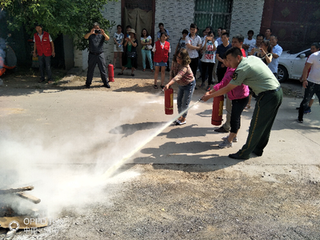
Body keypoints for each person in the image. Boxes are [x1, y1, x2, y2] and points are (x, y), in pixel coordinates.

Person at [202, 47, 282, 160]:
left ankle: (244, 153)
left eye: (230, 60)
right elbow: (264, 62)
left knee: (255, 126)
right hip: (277, 91)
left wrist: (209, 96)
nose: (228, 63)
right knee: (265, 125)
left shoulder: (241, 69)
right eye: (227, 60)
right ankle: (258, 149)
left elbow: (228, 87)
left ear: (238, 57)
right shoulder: (251, 58)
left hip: (267, 95)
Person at [206, 58, 249, 148]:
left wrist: (210, 94)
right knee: (236, 117)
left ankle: (229, 141)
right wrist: (211, 91)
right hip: (236, 97)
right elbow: (222, 83)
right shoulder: (229, 69)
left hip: (240, 97)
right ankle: (233, 136)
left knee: (234, 119)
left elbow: (223, 85)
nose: (224, 62)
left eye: (227, 60)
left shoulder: (233, 71)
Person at [215, 34, 246, 133]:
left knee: (233, 113)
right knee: (231, 111)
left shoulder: (241, 56)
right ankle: (230, 128)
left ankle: (230, 129)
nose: (233, 44)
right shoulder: (232, 53)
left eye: (235, 42)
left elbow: (232, 76)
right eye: (232, 42)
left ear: (241, 43)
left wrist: (212, 92)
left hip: (235, 90)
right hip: (231, 88)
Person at [164, 48, 195, 125]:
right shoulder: (174, 62)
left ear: (184, 58)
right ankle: (180, 116)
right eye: (177, 57)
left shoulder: (185, 67)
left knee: (185, 102)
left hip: (189, 85)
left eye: (180, 58)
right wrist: (169, 84)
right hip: (181, 84)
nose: (178, 59)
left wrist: (168, 84)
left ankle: (183, 119)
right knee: (179, 101)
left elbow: (178, 76)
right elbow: (172, 72)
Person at [84, 22, 110, 88]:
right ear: (93, 28)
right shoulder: (90, 35)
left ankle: (105, 83)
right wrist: (91, 32)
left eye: (98, 28)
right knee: (90, 69)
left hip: (100, 54)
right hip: (92, 54)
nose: (97, 30)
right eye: (95, 28)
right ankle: (88, 83)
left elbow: (108, 38)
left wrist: (103, 33)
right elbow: (85, 37)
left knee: (103, 69)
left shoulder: (101, 35)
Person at [297, 48, 320, 123]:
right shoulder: (314, 56)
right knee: (306, 101)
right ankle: (300, 118)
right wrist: (304, 80)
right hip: (311, 83)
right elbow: (306, 68)